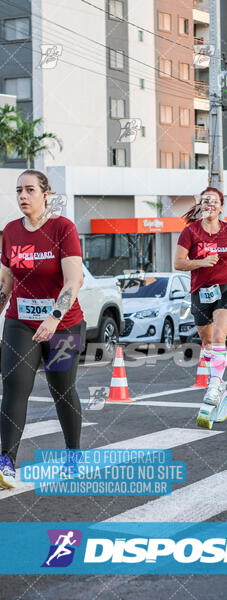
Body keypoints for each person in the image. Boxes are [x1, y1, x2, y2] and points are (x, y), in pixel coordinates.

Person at [0, 169, 85, 489]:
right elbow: (5, 284)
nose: (23, 196)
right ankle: (6, 461)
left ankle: (74, 454)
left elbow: (73, 279)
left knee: (62, 389)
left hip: (64, 324)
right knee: (14, 386)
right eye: (19, 190)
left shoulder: (63, 228)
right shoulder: (10, 231)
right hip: (20, 321)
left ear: (46, 193)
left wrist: (54, 316)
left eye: (30, 190)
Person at [174, 186, 227, 409]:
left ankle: (215, 384)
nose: (209, 204)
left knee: (219, 337)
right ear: (200, 205)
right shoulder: (190, 232)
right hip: (200, 291)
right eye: (205, 201)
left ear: (220, 207)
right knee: (207, 342)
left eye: (214, 201)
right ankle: (215, 378)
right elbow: (178, 263)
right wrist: (201, 262)